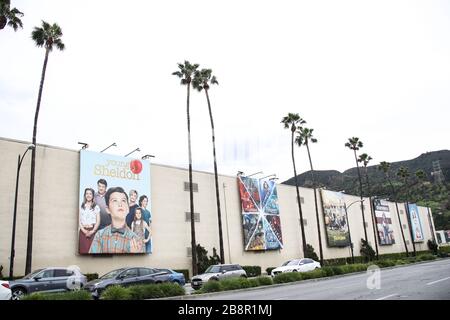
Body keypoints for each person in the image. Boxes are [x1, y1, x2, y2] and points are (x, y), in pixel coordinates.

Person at [89, 187, 143, 254]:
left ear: (128, 209)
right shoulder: (99, 236)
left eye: (123, 201)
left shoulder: (136, 240)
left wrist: (134, 256)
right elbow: (94, 262)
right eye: (115, 200)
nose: (120, 204)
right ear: (108, 209)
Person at [79, 188, 100, 254]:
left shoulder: (96, 207)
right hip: (83, 231)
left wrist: (92, 231)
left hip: (92, 231)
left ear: (93, 196)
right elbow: (79, 220)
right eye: (87, 193)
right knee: (83, 251)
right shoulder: (81, 206)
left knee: (92, 252)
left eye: (90, 194)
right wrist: (84, 230)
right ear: (85, 195)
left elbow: (98, 221)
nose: (88, 195)